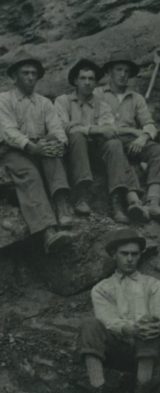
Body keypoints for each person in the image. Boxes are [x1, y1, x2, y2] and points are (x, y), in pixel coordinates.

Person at [78, 228, 160, 393]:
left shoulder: (152, 284)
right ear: (114, 255)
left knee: (149, 325)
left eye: (134, 254)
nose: (130, 259)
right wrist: (130, 328)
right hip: (116, 350)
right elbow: (107, 320)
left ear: (139, 256)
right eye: (124, 254)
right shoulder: (102, 289)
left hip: (148, 350)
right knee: (89, 325)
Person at [54, 59, 148, 224]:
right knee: (77, 136)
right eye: (83, 78)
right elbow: (63, 127)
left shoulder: (102, 105)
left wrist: (82, 126)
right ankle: (81, 195)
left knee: (114, 143)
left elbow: (109, 130)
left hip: (95, 152)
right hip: (70, 154)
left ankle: (117, 202)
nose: (87, 82)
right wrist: (92, 129)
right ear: (75, 80)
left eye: (91, 79)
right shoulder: (63, 101)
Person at [0, 55, 75, 253]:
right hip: (13, 150)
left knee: (52, 149)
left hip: (39, 146)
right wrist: (31, 147)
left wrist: (60, 144)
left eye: (34, 74)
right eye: (25, 73)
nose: (30, 77)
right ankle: (48, 232)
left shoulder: (44, 103)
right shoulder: (3, 100)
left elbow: (56, 128)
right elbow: (8, 131)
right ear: (15, 77)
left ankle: (62, 206)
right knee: (29, 175)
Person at [96, 51, 160, 223]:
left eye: (126, 71)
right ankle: (132, 202)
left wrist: (143, 137)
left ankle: (153, 201)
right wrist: (131, 132)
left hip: (132, 142)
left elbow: (149, 123)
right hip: (106, 142)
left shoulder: (136, 98)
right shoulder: (98, 94)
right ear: (109, 71)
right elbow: (103, 127)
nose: (123, 75)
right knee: (116, 146)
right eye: (118, 70)